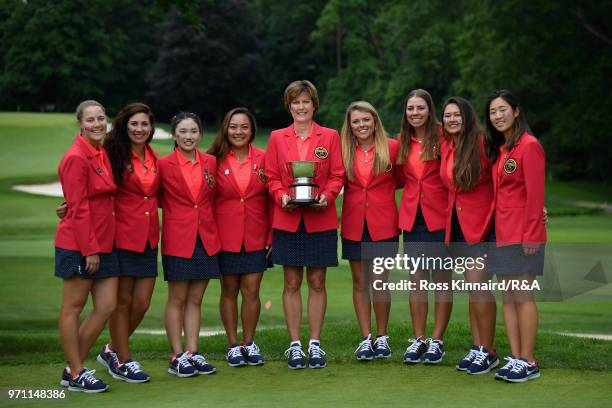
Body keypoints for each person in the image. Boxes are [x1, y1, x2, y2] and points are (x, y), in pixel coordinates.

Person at [265, 80, 345, 369]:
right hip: (287, 218)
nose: (301, 107)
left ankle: (315, 343)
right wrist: (281, 195)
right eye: (295, 102)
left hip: (320, 218)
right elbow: (271, 176)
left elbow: (337, 174)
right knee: (292, 282)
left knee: (317, 282)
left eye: (306, 102)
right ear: (289, 106)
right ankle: (295, 345)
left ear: (314, 105)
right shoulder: (276, 137)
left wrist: (328, 195)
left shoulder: (330, 136)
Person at [92, 103, 159, 383]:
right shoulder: (111, 155)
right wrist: (68, 205)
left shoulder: (154, 156)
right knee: (122, 302)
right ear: (124, 125)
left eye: (144, 124)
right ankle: (123, 359)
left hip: (148, 238)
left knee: (142, 303)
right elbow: (93, 189)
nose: (139, 129)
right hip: (121, 235)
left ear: (151, 127)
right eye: (134, 124)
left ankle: (111, 349)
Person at [484, 89, 546, 383]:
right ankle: (516, 357)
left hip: (523, 235)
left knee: (522, 295)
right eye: (493, 112)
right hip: (501, 233)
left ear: (517, 111)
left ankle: (529, 361)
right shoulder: (504, 149)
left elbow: (535, 194)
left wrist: (532, 234)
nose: (497, 116)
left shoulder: (529, 145)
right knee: (508, 297)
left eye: (502, 110)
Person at [55, 100, 117, 393]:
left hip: (105, 241)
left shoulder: (100, 152)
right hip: (80, 244)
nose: (96, 124)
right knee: (73, 307)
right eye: (90, 120)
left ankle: (72, 367)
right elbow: (78, 209)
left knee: (106, 305)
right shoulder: (76, 157)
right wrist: (89, 249)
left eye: (101, 119)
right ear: (80, 123)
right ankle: (77, 370)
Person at [158, 112, 221, 377]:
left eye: (193, 131)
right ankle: (177, 355)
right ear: (174, 135)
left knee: (196, 299)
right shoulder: (163, 164)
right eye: (183, 131)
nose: (188, 136)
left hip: (206, 237)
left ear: (200, 134)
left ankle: (193, 352)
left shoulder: (210, 161)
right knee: (177, 298)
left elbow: (213, 197)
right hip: (178, 238)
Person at [439, 97, 498, 374]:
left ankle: (488, 351)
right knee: (473, 290)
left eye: (457, 115)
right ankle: (476, 348)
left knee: (480, 289)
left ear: (467, 116)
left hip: (480, 225)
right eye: (447, 116)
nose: (452, 120)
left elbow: (503, 180)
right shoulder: (448, 144)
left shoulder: (483, 142)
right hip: (458, 225)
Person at [208, 107, 270, 367]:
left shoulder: (265, 158)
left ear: (252, 131)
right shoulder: (213, 160)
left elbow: (272, 200)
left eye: (244, 127)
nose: (238, 132)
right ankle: (233, 344)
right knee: (229, 290)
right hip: (224, 236)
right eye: (233, 126)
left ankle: (249, 342)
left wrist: (271, 235)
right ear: (226, 129)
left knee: (252, 290)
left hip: (257, 234)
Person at [339, 101, 399, 361]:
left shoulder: (393, 147)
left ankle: (382, 337)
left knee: (379, 281)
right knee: (360, 282)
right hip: (353, 223)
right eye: (356, 121)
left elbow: (405, 179)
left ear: (375, 121)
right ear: (349, 126)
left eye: (366, 120)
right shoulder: (343, 151)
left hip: (384, 222)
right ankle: (366, 338)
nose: (361, 125)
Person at [397, 89, 451, 364]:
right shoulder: (401, 141)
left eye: (420, 108)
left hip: (440, 215)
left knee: (441, 279)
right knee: (417, 280)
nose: (415, 113)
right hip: (413, 217)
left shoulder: (445, 136)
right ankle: (418, 339)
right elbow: (396, 177)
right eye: (410, 108)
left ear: (430, 110)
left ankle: (437, 340)